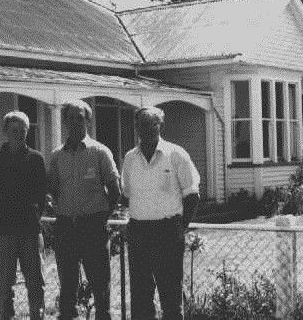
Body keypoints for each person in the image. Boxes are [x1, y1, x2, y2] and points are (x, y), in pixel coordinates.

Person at [121, 106, 200, 320]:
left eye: (151, 124)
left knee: (171, 297)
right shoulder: (130, 159)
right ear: (136, 127)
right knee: (140, 297)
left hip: (167, 232)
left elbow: (192, 195)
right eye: (141, 124)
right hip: (139, 232)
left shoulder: (176, 155)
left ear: (160, 126)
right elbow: (127, 195)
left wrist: (179, 227)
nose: (146, 129)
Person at [48, 99, 121, 320]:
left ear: (87, 120)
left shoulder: (100, 152)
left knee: (100, 287)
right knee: (68, 288)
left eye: (80, 117)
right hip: (66, 228)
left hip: (93, 227)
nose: (75, 121)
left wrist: (102, 217)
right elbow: (52, 189)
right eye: (71, 117)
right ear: (65, 122)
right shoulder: (57, 156)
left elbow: (115, 190)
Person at [0, 110, 46, 320]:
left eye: (23, 130)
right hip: (3, 232)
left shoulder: (36, 159)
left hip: (29, 231)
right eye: (14, 130)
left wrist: (33, 216)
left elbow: (41, 196)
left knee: (35, 284)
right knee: (3, 285)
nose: (19, 134)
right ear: (5, 131)